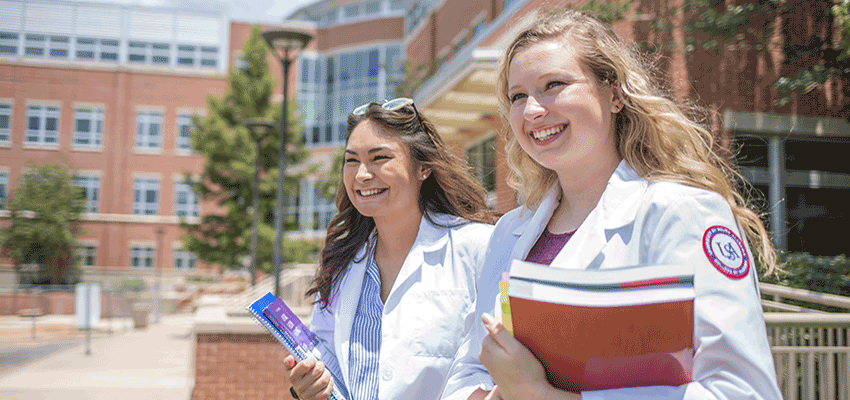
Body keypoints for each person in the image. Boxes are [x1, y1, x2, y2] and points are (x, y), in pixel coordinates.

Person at [441, 10, 782, 400]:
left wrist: (541, 396)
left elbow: (742, 391)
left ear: (615, 94)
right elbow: (470, 369)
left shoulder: (679, 212)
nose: (532, 110)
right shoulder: (509, 232)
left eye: (553, 85)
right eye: (518, 96)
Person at [284, 98, 496, 400]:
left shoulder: (479, 248)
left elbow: (501, 364)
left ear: (423, 167)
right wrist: (310, 385)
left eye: (379, 158)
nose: (361, 175)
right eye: (352, 160)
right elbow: (328, 354)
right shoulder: (343, 261)